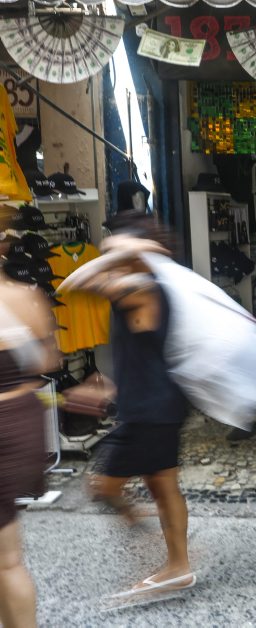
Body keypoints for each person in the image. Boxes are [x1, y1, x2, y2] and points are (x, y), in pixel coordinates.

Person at [76, 212, 196, 599]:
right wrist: (111, 388)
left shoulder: (142, 287)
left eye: (117, 248)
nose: (108, 253)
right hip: (152, 403)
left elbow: (79, 281)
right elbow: (143, 355)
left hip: (151, 409)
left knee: (104, 486)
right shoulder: (143, 286)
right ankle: (176, 563)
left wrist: (126, 250)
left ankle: (174, 561)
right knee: (162, 485)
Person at [0, 212, 59, 628]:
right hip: (20, 423)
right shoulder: (26, 296)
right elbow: (46, 363)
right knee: (7, 559)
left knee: (6, 560)